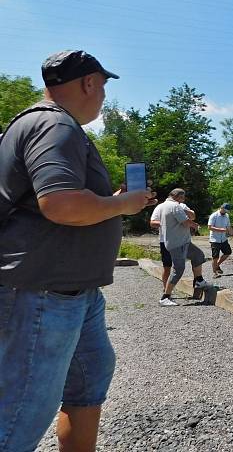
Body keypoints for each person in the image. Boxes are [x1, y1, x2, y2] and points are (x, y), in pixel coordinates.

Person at [0, 50, 155, 452]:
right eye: (102, 86)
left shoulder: (44, 124)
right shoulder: (56, 126)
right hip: (43, 292)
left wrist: (112, 200)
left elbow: (57, 198)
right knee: (21, 412)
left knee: (89, 377)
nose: (103, 96)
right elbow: (63, 205)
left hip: (72, 292)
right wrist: (123, 205)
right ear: (88, 83)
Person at [150, 198, 196, 292]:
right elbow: (152, 223)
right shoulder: (161, 207)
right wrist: (168, 222)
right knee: (167, 267)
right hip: (166, 241)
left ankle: (197, 283)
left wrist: (184, 210)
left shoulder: (183, 206)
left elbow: (193, 217)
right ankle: (166, 289)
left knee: (195, 259)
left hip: (182, 241)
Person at [208, 202, 233, 277]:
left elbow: (228, 227)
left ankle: (217, 265)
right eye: (225, 210)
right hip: (215, 239)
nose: (226, 212)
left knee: (228, 252)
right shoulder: (214, 215)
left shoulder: (227, 216)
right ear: (221, 208)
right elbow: (209, 227)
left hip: (224, 239)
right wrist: (222, 230)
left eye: (227, 211)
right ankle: (215, 273)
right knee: (215, 257)